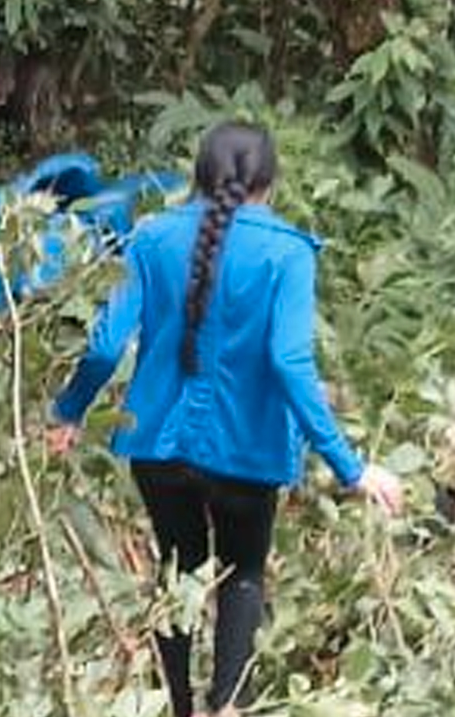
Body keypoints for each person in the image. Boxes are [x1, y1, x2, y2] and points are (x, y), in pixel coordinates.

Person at [45, 121, 403, 717]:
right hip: (249, 451)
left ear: (198, 175)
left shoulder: (151, 237)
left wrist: (68, 411)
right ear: (270, 182)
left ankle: (179, 706)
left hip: (157, 445)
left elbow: (107, 345)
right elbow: (289, 362)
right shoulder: (288, 252)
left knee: (175, 568)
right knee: (243, 575)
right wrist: (350, 467)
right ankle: (227, 705)